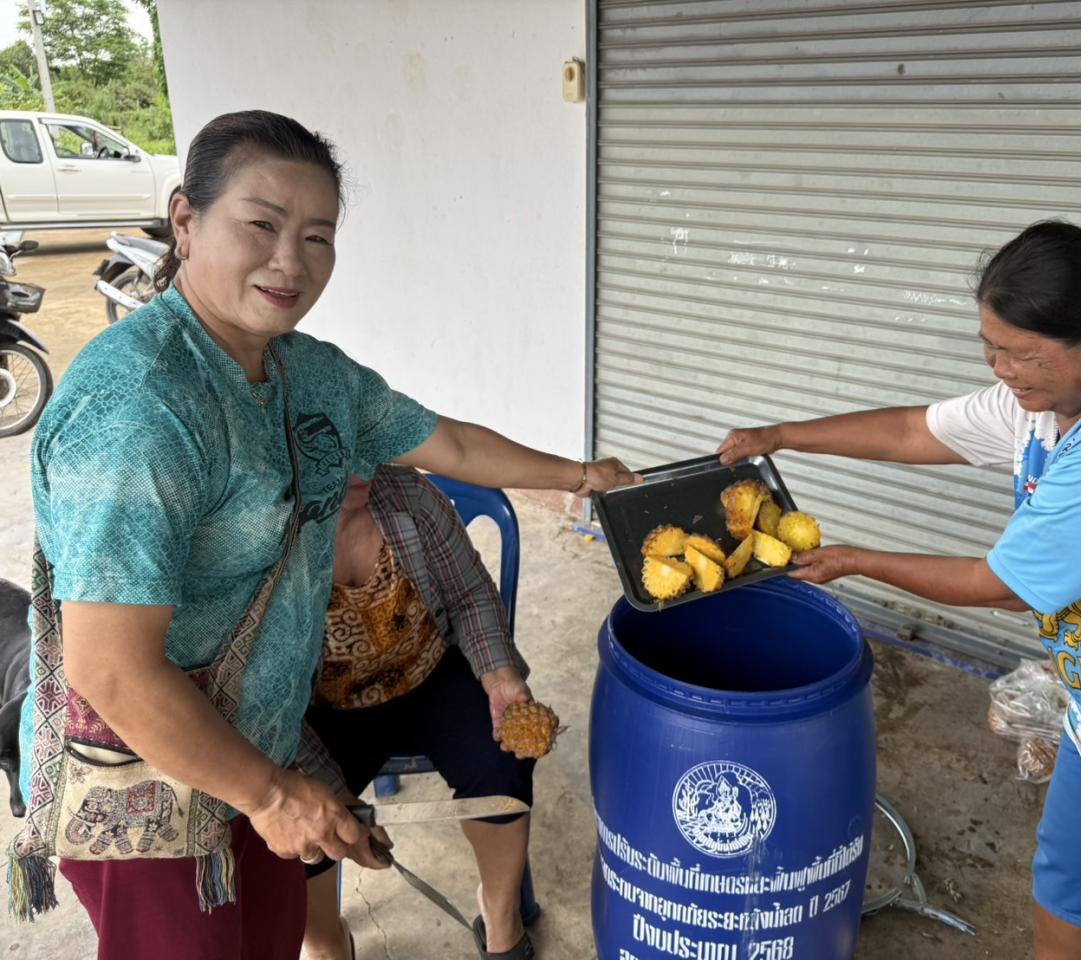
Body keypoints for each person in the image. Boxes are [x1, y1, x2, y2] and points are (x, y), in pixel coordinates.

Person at [16, 109, 638, 960]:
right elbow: (113, 668)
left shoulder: (310, 373)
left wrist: (579, 475)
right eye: (261, 225)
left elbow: (452, 445)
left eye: (318, 236)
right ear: (185, 220)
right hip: (150, 785)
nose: (291, 261)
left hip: (261, 751)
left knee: (273, 943)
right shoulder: (140, 408)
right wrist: (273, 795)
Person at [718, 220, 1081, 960]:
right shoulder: (1044, 403)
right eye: (991, 348)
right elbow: (912, 432)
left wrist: (855, 560)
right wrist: (781, 435)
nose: (1004, 370)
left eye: (1022, 353)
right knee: (1065, 897)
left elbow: (1003, 587)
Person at [301, 467, 539, 960]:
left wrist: (499, 675)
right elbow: (260, 696)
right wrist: (325, 788)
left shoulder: (409, 496)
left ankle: (501, 914)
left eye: (364, 443)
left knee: (503, 762)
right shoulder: (264, 538)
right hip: (320, 707)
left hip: (428, 671)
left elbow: (470, 595)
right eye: (332, 449)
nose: (358, 465)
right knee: (299, 811)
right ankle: (325, 940)